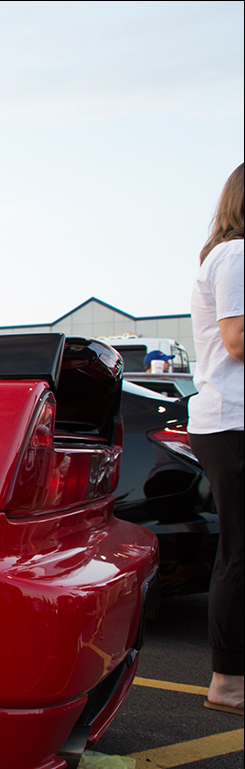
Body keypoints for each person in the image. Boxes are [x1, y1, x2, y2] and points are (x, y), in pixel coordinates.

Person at [189, 163, 244, 715]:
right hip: (232, 421)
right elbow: (237, 339)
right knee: (239, 552)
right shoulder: (236, 255)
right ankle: (228, 682)